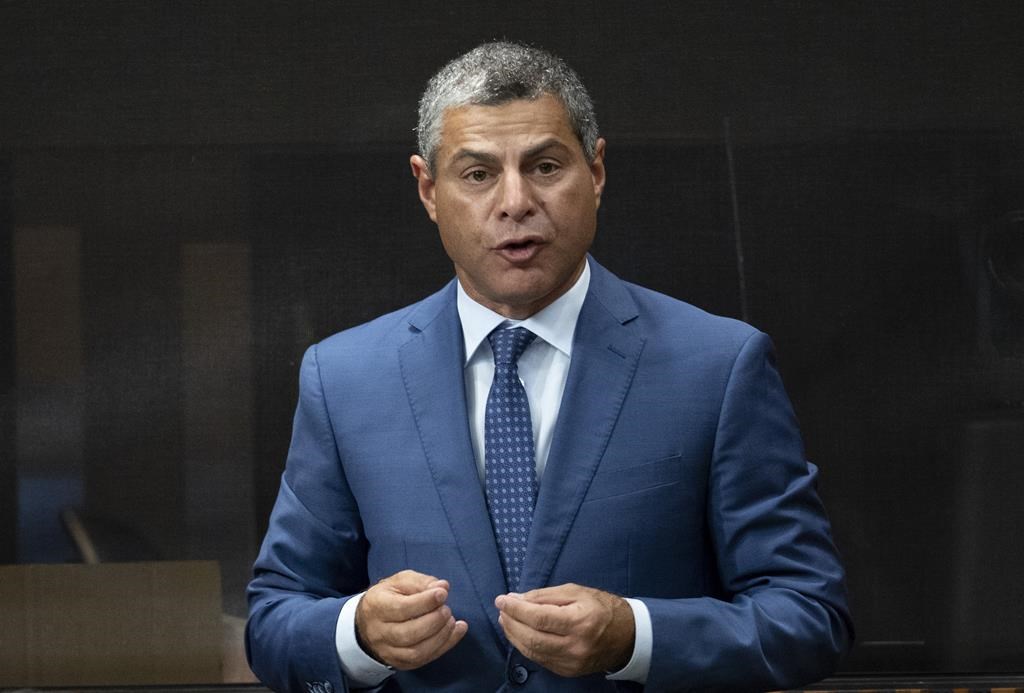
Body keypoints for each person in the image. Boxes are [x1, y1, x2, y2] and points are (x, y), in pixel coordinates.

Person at [246, 41, 853, 692]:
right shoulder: (344, 378)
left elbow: (809, 615)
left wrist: (634, 635)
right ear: (428, 189)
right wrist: (359, 634)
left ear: (595, 172)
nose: (515, 202)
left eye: (544, 166)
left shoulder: (719, 366)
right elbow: (274, 620)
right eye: (477, 174)